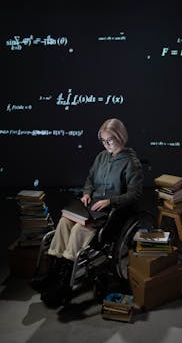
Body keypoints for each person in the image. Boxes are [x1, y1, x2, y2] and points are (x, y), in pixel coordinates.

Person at [30, 118, 144, 306]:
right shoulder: (101, 157)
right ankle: (52, 276)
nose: (107, 145)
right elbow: (90, 179)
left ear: (121, 138)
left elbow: (135, 194)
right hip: (92, 208)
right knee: (64, 223)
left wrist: (110, 200)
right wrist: (86, 194)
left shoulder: (131, 163)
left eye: (110, 140)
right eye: (103, 141)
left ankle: (64, 285)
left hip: (111, 212)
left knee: (77, 231)